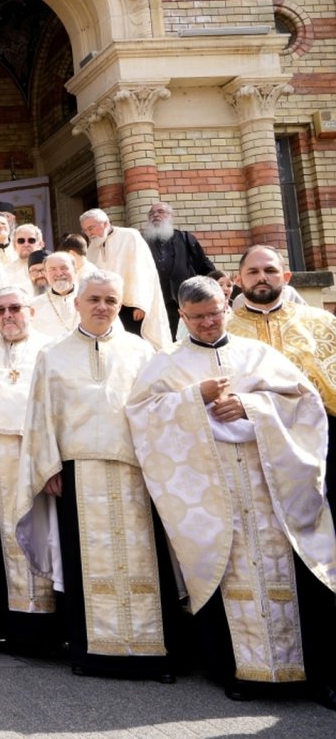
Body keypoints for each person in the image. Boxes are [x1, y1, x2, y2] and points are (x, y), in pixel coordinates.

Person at [127, 275, 336, 706]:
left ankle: (304, 672)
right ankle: (239, 670)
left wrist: (251, 405)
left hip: (268, 482)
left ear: (227, 303)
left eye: (214, 314)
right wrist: (193, 398)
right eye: (197, 318)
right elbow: (141, 415)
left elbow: (305, 403)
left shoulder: (258, 354)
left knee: (288, 571)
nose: (207, 324)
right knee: (227, 566)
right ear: (182, 316)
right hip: (211, 488)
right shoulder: (166, 362)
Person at [16, 269, 180, 682]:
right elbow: (39, 413)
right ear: (77, 304)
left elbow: (157, 409)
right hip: (78, 471)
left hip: (133, 471)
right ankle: (93, 654)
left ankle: (152, 654)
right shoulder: (52, 353)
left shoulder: (141, 351)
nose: (103, 307)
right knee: (84, 560)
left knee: (145, 559)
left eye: (110, 300)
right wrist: (46, 464)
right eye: (94, 300)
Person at [0, 288, 59, 652]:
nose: (8, 315)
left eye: (15, 308)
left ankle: (51, 625)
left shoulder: (51, 350)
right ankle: (8, 624)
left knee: (46, 536)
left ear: (31, 311)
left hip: (40, 459)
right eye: (0, 309)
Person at [227, 245, 336, 503]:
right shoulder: (224, 331)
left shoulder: (322, 322)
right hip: (254, 438)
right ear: (238, 280)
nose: (262, 277)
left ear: (286, 278)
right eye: (253, 271)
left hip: (322, 435)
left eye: (270, 270)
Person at [80, 207, 170, 348]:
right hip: (108, 306)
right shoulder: (92, 247)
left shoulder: (130, 236)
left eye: (91, 228)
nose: (89, 233)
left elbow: (143, 270)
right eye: (85, 230)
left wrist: (140, 304)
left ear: (105, 223)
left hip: (131, 305)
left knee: (137, 345)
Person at [142, 202, 216, 340]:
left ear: (170, 216)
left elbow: (204, 266)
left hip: (184, 302)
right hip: (155, 303)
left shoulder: (186, 239)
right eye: (151, 214)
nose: (155, 215)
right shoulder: (141, 242)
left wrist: (216, 286)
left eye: (160, 212)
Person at [31, 251, 79, 338]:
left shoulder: (90, 299)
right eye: (52, 269)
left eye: (64, 268)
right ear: (45, 274)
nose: (59, 273)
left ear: (75, 270)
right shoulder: (34, 305)